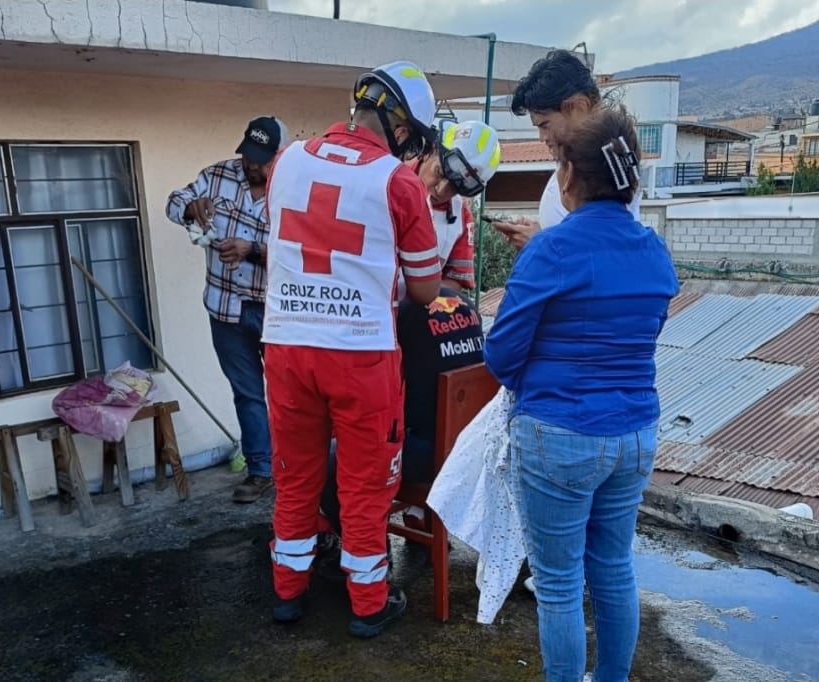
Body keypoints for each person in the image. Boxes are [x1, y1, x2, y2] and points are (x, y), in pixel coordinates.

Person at [482, 105, 680, 681]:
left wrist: (540, 382)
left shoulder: (551, 251)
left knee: (561, 584)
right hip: (635, 434)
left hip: (559, 437)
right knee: (614, 567)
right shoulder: (654, 251)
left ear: (568, 176)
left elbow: (500, 356)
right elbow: (643, 338)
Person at [260, 61, 442, 638]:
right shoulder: (399, 180)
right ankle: (368, 603)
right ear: (402, 126)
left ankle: (288, 592)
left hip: (287, 346)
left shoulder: (286, 159)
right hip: (361, 353)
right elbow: (426, 289)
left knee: (294, 475)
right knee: (365, 485)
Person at [166, 116, 288, 504]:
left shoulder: (294, 188)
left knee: (291, 396)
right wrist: (190, 210)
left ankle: (298, 472)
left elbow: (305, 255)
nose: (253, 167)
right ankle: (261, 472)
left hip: (278, 312)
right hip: (225, 309)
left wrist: (252, 250)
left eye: (262, 160)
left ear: (279, 155)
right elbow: (174, 200)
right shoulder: (217, 175)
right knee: (247, 394)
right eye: (249, 157)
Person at [318, 288, 485, 537]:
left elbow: (379, 395)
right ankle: (417, 522)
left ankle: (367, 548)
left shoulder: (398, 315)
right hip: (472, 447)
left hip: (428, 457)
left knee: (329, 459)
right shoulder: (466, 305)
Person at [490, 49, 641, 248]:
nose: (542, 138)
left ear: (579, 107)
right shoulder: (577, 166)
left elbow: (603, 254)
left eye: (545, 125)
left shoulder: (612, 173)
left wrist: (539, 245)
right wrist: (540, 237)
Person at [410, 119, 502, 291]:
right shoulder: (389, 181)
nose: (440, 189)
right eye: (438, 172)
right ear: (431, 151)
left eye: (454, 187)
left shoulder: (461, 216)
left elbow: (456, 281)